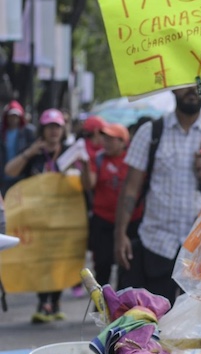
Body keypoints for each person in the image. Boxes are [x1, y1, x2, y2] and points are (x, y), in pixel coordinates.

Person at [114, 87, 201, 302]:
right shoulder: (151, 132)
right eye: (185, 83)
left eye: (199, 84)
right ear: (173, 88)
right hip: (157, 243)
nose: (192, 90)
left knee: (197, 330)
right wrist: (120, 235)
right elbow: (131, 187)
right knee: (153, 324)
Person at [3, 109, 69, 321]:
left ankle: (56, 302)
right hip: (38, 219)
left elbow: (87, 184)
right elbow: (10, 171)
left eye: (57, 127)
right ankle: (43, 303)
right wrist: (28, 153)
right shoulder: (34, 153)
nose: (53, 131)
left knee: (60, 260)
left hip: (64, 218)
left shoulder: (69, 151)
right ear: (42, 129)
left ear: (62, 129)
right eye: (49, 127)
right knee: (42, 261)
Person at [78, 123, 141, 288]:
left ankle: (122, 305)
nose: (106, 142)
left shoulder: (134, 161)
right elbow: (88, 184)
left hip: (130, 222)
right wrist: (85, 166)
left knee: (127, 267)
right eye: (105, 138)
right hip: (103, 222)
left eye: (111, 139)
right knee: (102, 266)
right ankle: (100, 307)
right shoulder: (98, 159)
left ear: (123, 142)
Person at [2, 100, 36, 196]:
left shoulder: (28, 132)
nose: (13, 119)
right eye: (10, 116)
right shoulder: (2, 133)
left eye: (15, 116)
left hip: (22, 177)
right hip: (4, 178)